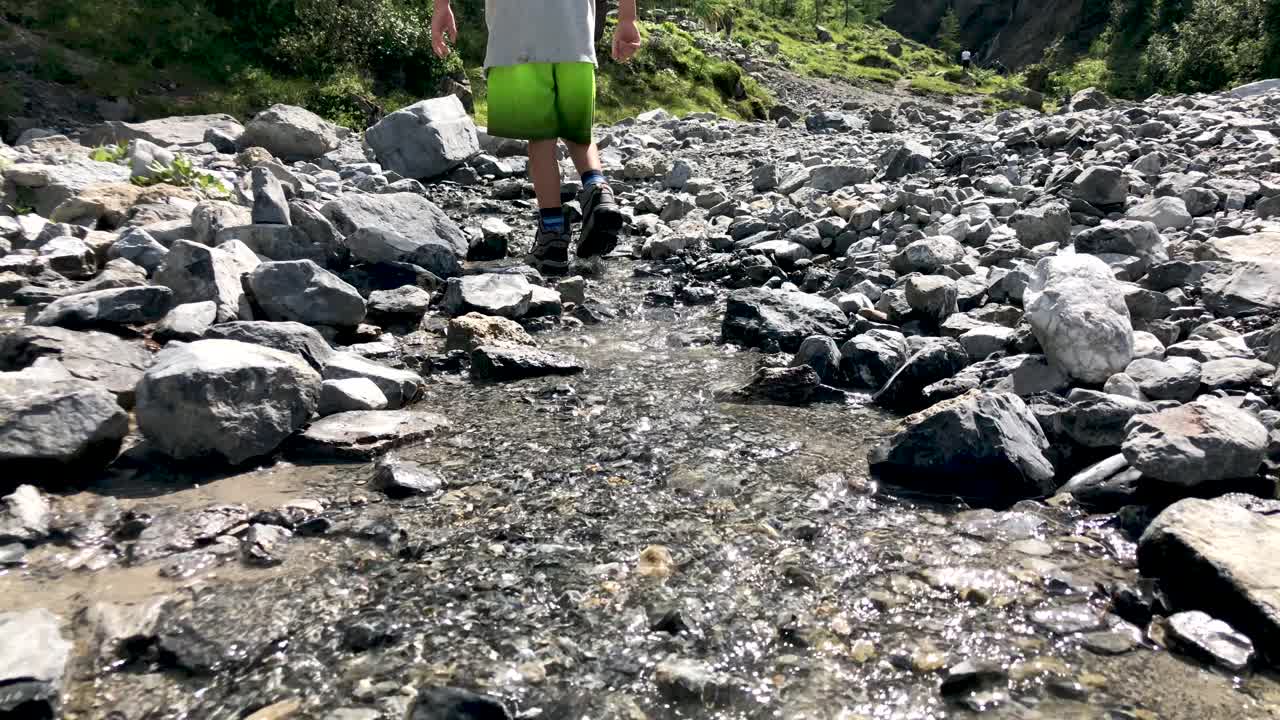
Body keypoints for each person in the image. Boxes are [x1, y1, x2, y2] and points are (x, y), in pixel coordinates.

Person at [432, 0, 642, 275]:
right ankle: (598, 191)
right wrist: (627, 19)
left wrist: (441, 6)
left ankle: (552, 238)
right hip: (574, 36)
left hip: (517, 37)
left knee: (540, 138)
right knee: (577, 130)